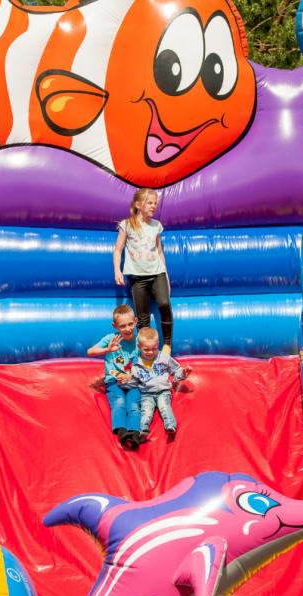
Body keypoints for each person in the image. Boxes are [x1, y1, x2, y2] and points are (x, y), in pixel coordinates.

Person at [113, 188, 173, 351]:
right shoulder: (127, 225)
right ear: (138, 205)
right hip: (137, 277)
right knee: (143, 317)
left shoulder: (156, 225)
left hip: (157, 273)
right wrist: (117, 270)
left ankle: (167, 344)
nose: (154, 206)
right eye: (150, 203)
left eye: (155, 203)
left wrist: (166, 276)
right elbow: (118, 250)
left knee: (164, 303)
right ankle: (147, 350)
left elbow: (160, 252)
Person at [87, 304, 141, 450]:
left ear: (136, 321)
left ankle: (135, 433)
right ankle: (122, 431)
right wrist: (107, 349)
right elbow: (90, 351)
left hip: (133, 382)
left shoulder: (139, 341)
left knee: (134, 404)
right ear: (115, 326)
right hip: (114, 382)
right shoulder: (112, 339)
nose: (128, 329)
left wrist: (131, 375)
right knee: (119, 401)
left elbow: (145, 363)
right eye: (122, 326)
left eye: (130, 324)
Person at [128, 327, 192, 439]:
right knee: (146, 411)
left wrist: (183, 373)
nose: (150, 352)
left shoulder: (163, 357)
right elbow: (133, 381)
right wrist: (123, 381)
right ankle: (143, 430)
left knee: (164, 406)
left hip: (163, 391)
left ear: (158, 344)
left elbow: (176, 370)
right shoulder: (136, 364)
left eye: (154, 348)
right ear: (139, 346)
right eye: (146, 349)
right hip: (146, 393)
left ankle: (170, 426)